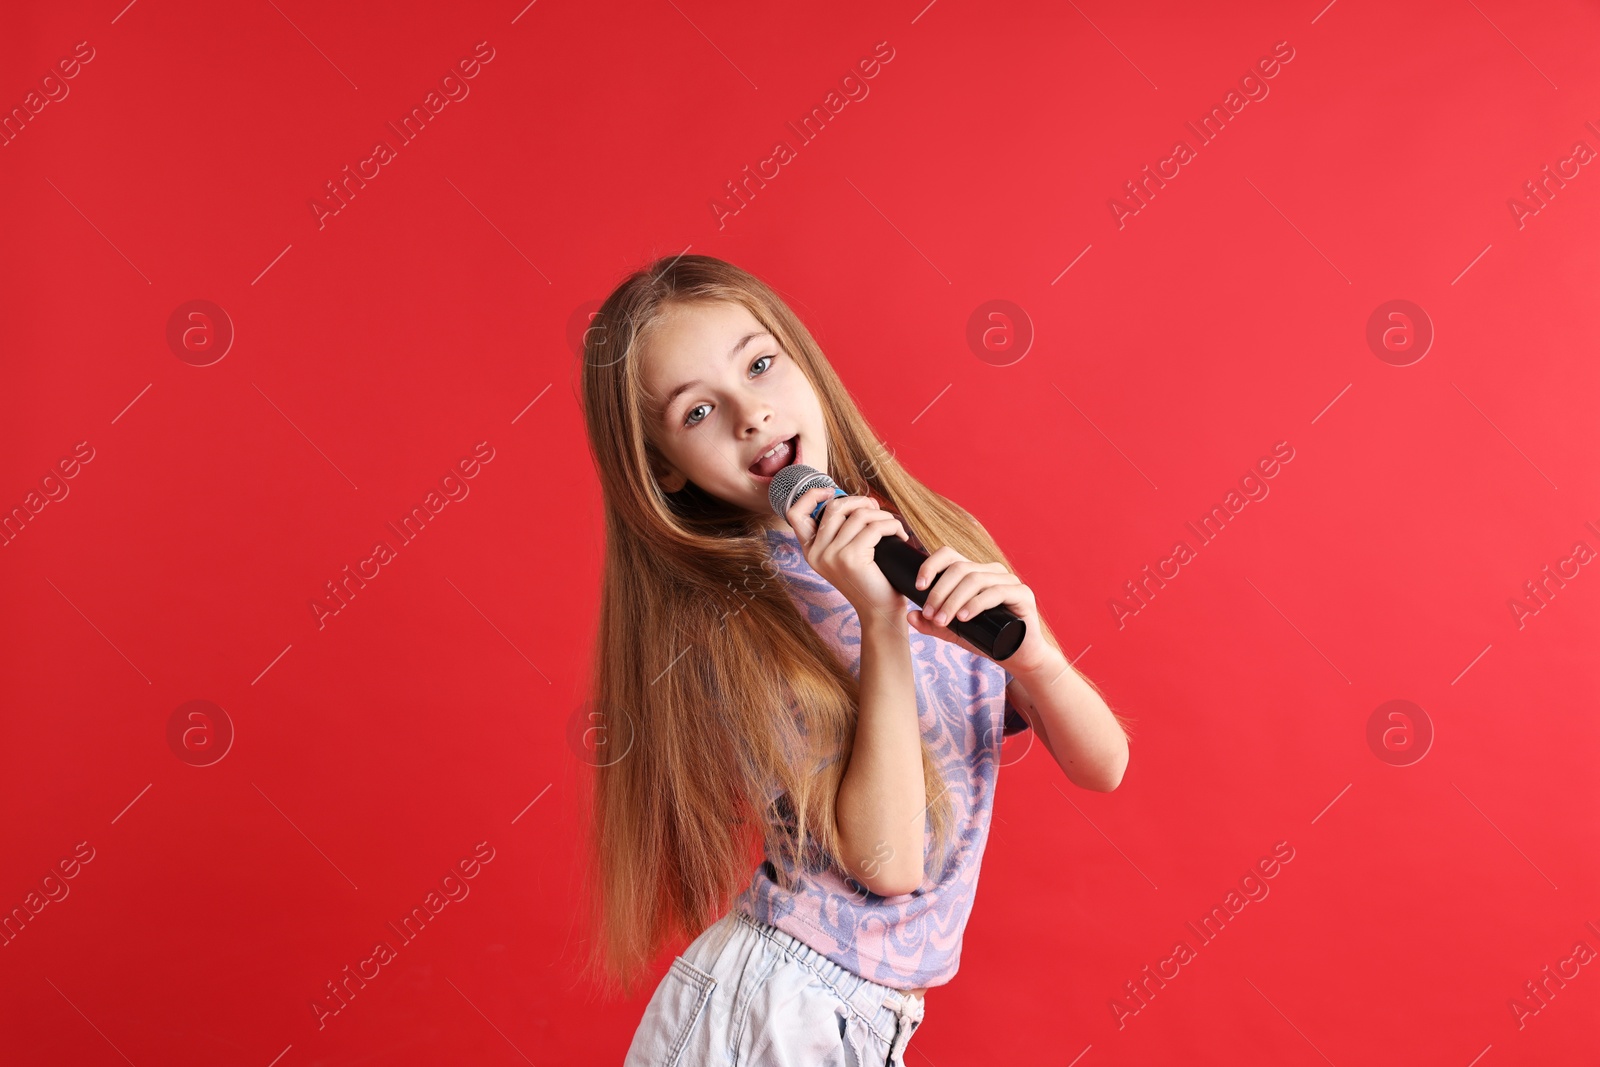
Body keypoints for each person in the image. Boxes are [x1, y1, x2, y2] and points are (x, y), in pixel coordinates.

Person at [574, 253, 1133, 1065]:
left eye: (761, 365)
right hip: (775, 1010)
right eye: (699, 412)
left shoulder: (924, 540)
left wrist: (1039, 657)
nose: (752, 415)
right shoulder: (736, 623)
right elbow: (889, 861)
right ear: (663, 466)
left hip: (854, 1014)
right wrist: (880, 623)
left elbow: (1104, 764)